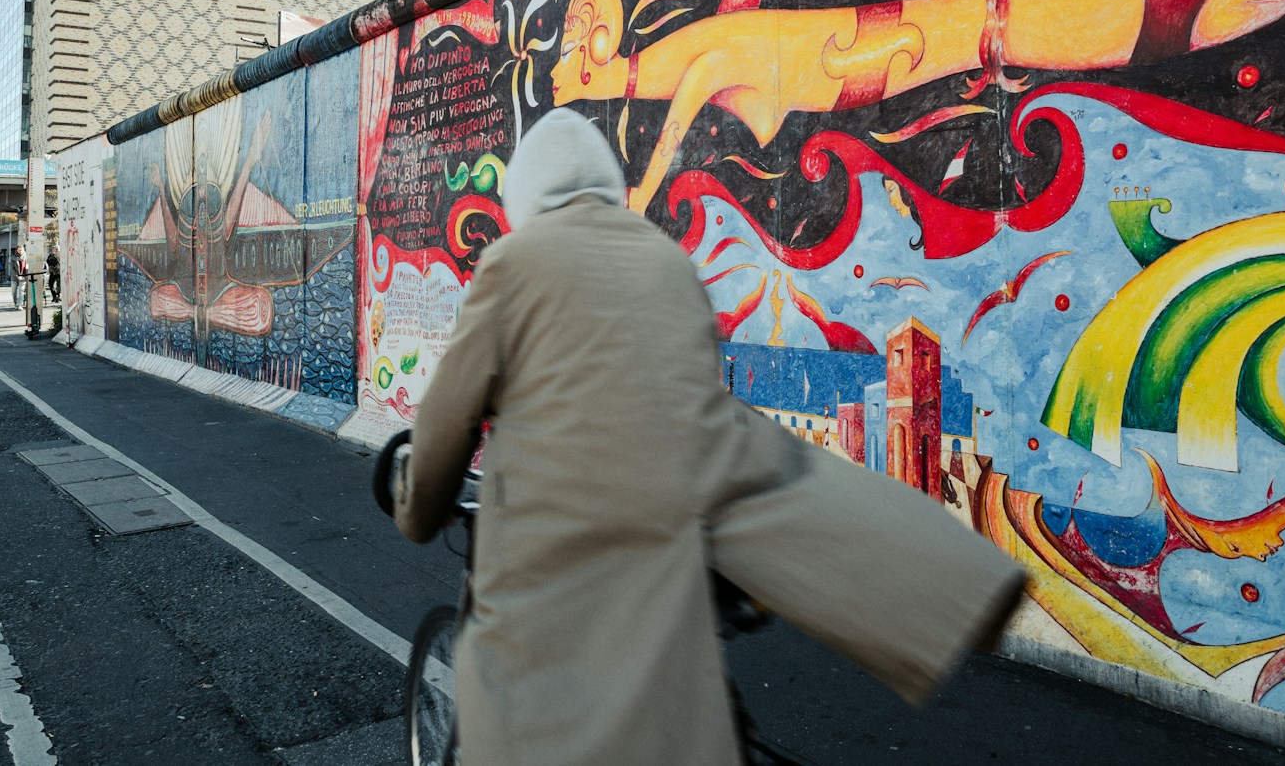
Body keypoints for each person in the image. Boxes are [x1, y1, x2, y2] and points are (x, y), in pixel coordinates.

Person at [389, 109, 1025, 766]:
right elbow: (699, 410)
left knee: (518, 689)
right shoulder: (666, 260)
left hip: (551, 583)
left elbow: (446, 419)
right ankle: (955, 594)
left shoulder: (511, 263)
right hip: (684, 529)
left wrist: (417, 505)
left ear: (525, 193)